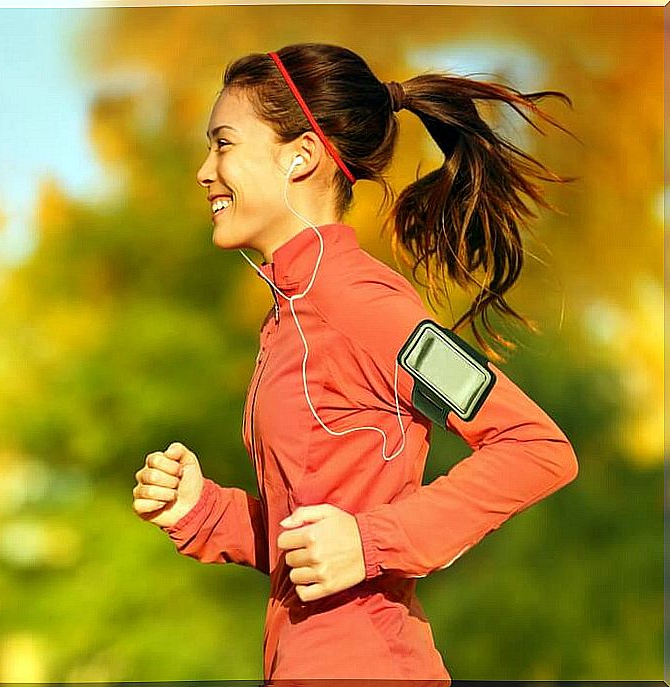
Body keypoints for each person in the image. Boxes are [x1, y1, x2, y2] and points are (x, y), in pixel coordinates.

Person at [131, 43, 578, 683]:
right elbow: (309, 533)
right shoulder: (291, 314)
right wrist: (204, 511)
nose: (205, 170)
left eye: (224, 144)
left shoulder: (359, 303)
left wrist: (372, 545)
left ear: (301, 157)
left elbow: (536, 447)